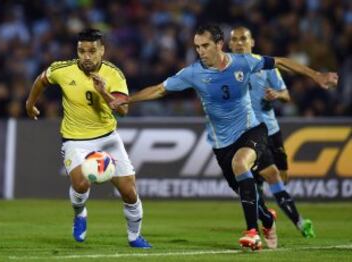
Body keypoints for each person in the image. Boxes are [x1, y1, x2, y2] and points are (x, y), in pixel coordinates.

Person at [108, 23, 337, 250]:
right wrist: (128, 99)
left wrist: (316, 75)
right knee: (249, 197)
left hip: (252, 130)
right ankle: (267, 220)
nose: (200, 51)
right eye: (197, 47)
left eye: (205, 46)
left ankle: (252, 233)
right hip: (222, 145)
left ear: (219, 44)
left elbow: (281, 62)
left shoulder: (243, 62)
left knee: (241, 163)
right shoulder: (193, 73)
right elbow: (159, 89)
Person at [25, 29, 151, 248]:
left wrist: (104, 92)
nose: (87, 56)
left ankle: (134, 237)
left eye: (92, 51)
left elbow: (124, 111)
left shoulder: (113, 74)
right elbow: (41, 80)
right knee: (81, 183)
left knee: (130, 192)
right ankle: (80, 213)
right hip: (75, 139)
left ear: (102, 51)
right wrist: (30, 103)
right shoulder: (62, 69)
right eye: (82, 51)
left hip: (108, 138)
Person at [229, 26, 315, 239]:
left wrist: (277, 94)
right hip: (247, 131)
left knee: (281, 178)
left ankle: (269, 214)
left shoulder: (266, 66)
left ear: (252, 42)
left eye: (244, 39)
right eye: (235, 40)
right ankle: (297, 223)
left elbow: (287, 95)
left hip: (271, 130)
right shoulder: (225, 68)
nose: (240, 43)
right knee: (267, 176)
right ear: (230, 45)